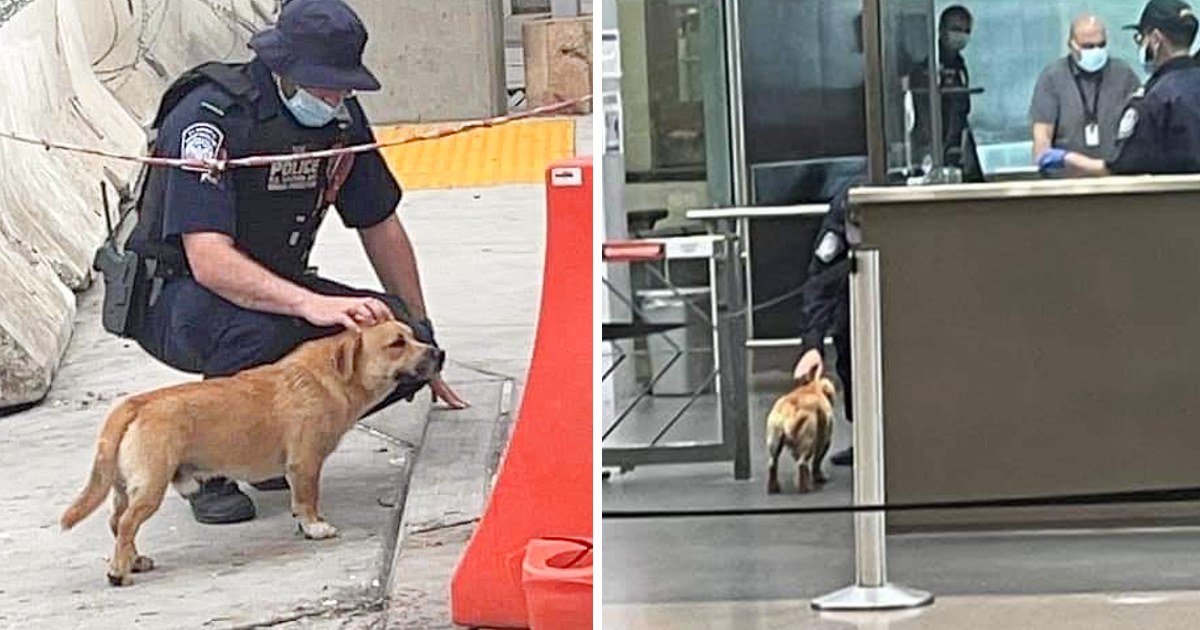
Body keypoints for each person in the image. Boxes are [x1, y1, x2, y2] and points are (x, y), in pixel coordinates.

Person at [121, 0, 468, 525]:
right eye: (325, 86)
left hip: (276, 281)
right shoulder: (211, 117)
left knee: (394, 338)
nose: (335, 98)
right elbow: (209, 259)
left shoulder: (340, 117)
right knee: (260, 330)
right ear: (283, 69)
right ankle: (207, 467)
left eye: (343, 87)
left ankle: (271, 444)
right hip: (179, 296)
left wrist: (420, 332)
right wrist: (311, 304)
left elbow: (379, 222)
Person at [1039, 0, 1200, 176]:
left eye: (1140, 38)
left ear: (1155, 39)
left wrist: (1069, 159)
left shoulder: (1153, 100)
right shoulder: (1053, 77)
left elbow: (1126, 168)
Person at [791, 174, 866, 467]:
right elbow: (822, 275)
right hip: (856, 305)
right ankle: (864, 437)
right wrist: (813, 344)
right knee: (851, 357)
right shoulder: (848, 199)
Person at [1030, 15, 1141, 164]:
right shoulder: (1052, 78)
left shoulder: (1123, 74)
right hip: (1067, 174)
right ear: (1071, 45)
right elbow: (1042, 137)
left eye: (1101, 45)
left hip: (1115, 171)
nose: (1096, 50)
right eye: (1088, 46)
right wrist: (1044, 165)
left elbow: (1140, 125)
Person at [907, 5, 984, 183]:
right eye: (956, 29)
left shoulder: (959, 65)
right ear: (941, 30)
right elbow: (925, 116)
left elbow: (962, 110)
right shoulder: (929, 68)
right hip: (936, 148)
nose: (961, 35)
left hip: (958, 143)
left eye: (966, 31)